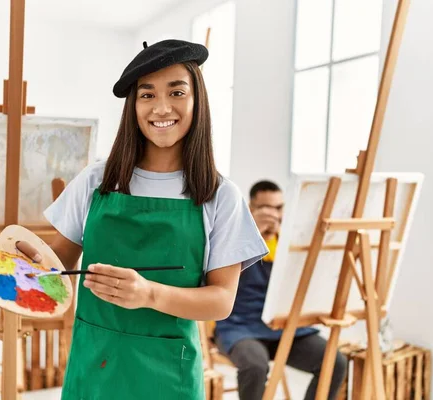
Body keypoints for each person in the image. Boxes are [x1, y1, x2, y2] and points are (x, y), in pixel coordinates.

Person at [33, 39, 269, 399]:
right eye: (147, 95)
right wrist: (14, 267)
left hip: (167, 373)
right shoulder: (97, 181)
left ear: (197, 101)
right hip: (95, 363)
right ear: (133, 105)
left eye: (176, 92)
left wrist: (148, 293)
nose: (161, 107)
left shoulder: (220, 195)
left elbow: (221, 300)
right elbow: (55, 268)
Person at [214, 180, 347, 400]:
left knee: (334, 362)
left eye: (278, 208)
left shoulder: (290, 243)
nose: (272, 214)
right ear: (251, 209)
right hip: (241, 326)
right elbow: (216, 279)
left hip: (285, 326)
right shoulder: (231, 238)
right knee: (255, 366)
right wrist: (250, 234)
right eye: (265, 208)